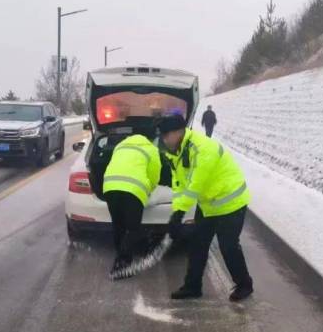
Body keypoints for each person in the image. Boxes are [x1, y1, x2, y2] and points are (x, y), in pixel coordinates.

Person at [159, 114, 253, 301]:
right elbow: (179, 185)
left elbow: (195, 185)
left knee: (228, 246)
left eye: (165, 135)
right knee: (198, 244)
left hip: (231, 202)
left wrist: (179, 214)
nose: (163, 140)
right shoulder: (176, 152)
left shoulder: (203, 148)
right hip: (210, 204)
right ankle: (192, 287)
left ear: (178, 132)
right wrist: (177, 211)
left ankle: (245, 285)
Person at [102, 134, 162, 278]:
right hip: (134, 190)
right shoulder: (151, 149)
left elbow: (113, 164)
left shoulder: (120, 146)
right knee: (133, 228)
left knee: (118, 224)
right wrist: (150, 188)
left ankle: (122, 257)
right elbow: (154, 174)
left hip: (110, 186)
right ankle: (122, 262)